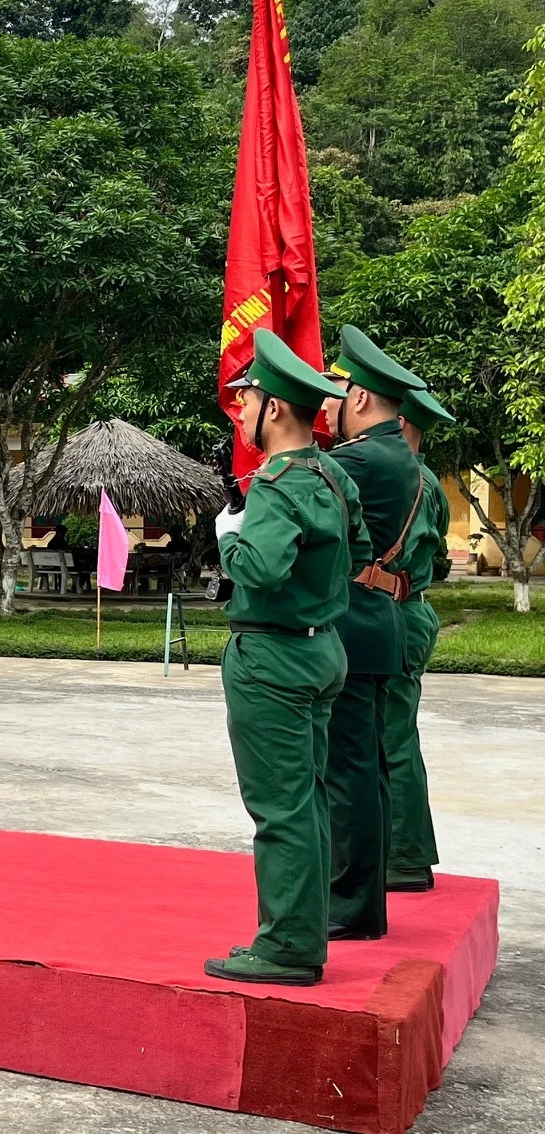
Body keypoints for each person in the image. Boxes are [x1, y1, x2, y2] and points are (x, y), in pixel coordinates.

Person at [203, 330, 360, 987]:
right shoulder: (332, 474)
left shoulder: (275, 485)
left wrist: (229, 538)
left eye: (246, 400)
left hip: (272, 657)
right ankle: (304, 930)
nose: (239, 411)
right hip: (322, 648)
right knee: (308, 801)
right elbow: (360, 548)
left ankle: (288, 947)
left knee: (281, 808)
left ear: (273, 408)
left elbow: (261, 570)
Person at [321, 326, 426, 944]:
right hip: (375, 622)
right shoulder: (395, 454)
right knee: (367, 768)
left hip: (353, 624)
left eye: (333, 393)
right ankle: (364, 900)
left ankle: (352, 904)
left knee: (349, 771)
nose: (324, 406)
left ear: (359, 398)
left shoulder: (359, 459)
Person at [385, 387, 454, 894]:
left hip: (398, 611)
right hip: (411, 608)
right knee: (396, 734)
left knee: (392, 737)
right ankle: (405, 854)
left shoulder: (406, 480)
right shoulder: (426, 480)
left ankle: (405, 858)